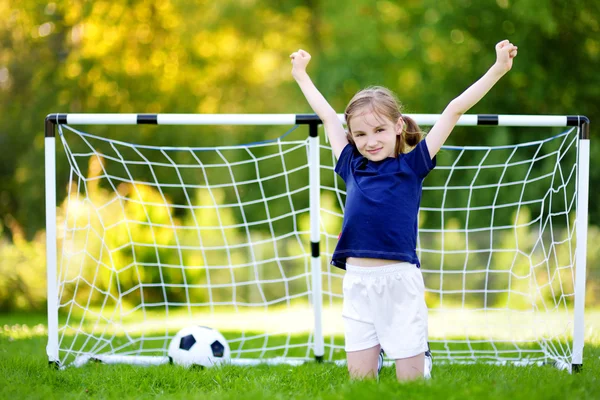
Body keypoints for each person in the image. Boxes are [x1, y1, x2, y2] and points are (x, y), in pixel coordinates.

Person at [290, 40, 518, 381]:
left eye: (380, 130)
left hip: (400, 283)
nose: (371, 141)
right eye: (361, 134)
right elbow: (326, 115)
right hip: (357, 283)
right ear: (351, 136)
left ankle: (418, 356)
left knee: (410, 384)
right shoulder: (351, 164)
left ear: (398, 126)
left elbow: (454, 109)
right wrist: (300, 75)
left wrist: (498, 68)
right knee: (360, 382)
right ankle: (376, 355)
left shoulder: (413, 165)